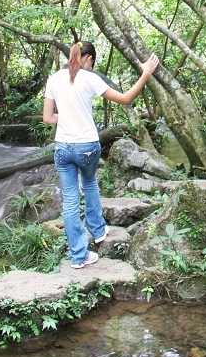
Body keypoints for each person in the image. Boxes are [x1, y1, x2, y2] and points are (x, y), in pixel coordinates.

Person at [43, 41, 159, 268]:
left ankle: (78, 257)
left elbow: (48, 118)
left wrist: (66, 117)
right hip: (86, 146)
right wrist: (145, 73)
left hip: (63, 148)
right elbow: (126, 99)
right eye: (92, 63)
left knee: (70, 201)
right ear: (88, 59)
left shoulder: (54, 78)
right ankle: (97, 231)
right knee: (89, 184)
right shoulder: (89, 78)